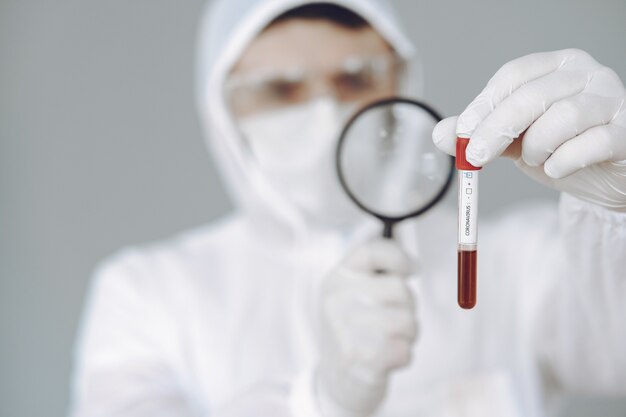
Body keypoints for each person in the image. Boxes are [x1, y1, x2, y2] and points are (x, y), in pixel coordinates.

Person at [69, 0, 626, 416]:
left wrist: (617, 208)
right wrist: (318, 400)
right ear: (220, 112)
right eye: (279, 89)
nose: (325, 112)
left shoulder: (516, 261)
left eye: (355, 78)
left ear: (401, 81)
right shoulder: (145, 293)